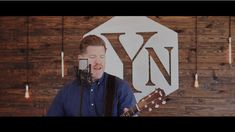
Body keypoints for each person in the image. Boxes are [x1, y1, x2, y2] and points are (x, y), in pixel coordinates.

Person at [47, 35, 137, 116]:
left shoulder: (121, 87)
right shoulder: (66, 92)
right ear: (81, 59)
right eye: (92, 57)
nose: (98, 62)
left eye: (102, 56)